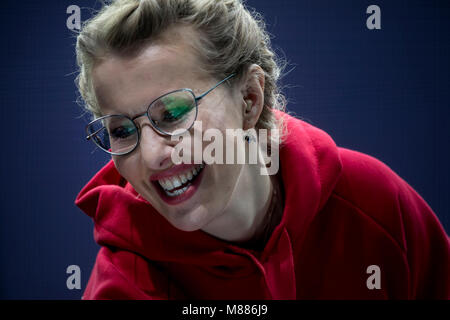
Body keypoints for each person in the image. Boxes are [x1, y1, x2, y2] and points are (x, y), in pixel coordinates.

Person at [74, 0, 450, 299]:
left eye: (173, 113)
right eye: (122, 130)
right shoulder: (123, 285)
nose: (153, 154)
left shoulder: (375, 205)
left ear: (250, 99)